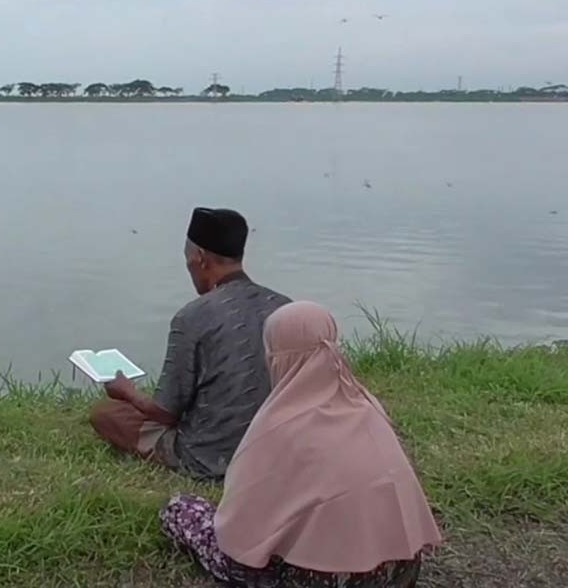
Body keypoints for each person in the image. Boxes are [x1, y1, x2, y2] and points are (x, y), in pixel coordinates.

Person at [160, 301, 442, 587]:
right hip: (397, 573)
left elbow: (238, 537)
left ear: (277, 357)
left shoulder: (280, 426)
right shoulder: (366, 406)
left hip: (322, 579)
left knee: (180, 508)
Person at [89, 207, 289, 481]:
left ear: (200, 259)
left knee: (107, 415)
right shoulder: (284, 307)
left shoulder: (192, 316)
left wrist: (128, 393)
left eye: (189, 263)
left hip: (208, 458)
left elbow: (166, 414)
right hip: (274, 451)